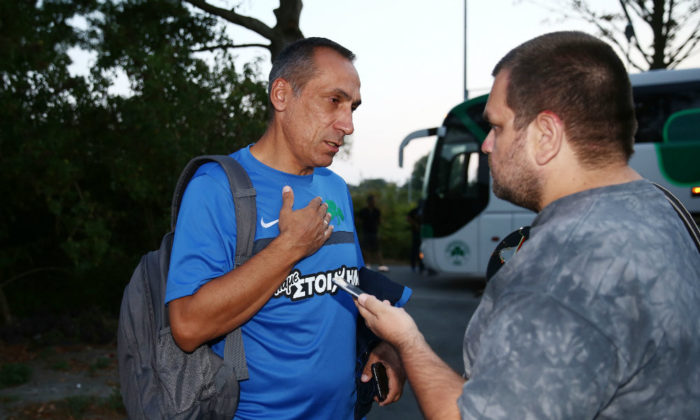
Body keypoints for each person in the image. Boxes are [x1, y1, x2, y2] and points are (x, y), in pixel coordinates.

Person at [356, 31, 700, 419]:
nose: (486, 145)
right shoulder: (660, 204)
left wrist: (408, 341)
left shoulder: (566, 268)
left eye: (497, 127)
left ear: (546, 136)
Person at [165, 37, 405, 419]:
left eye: (353, 108)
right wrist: (290, 247)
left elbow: (349, 286)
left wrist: (384, 345)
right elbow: (188, 326)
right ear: (281, 95)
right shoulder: (215, 187)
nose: (348, 125)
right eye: (334, 100)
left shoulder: (335, 188)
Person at [357, 194, 389, 271]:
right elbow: (358, 220)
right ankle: (367, 263)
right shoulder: (363, 211)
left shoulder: (377, 211)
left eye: (374, 201)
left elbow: (379, 221)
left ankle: (381, 265)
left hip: (374, 232)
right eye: (372, 201)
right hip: (365, 231)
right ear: (368, 201)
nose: (374, 202)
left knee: (377, 248)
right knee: (365, 248)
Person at [406, 205, 424, 274]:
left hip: (423, 234)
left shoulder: (425, 210)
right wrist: (415, 224)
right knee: (415, 250)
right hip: (416, 234)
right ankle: (414, 265)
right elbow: (408, 218)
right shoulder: (414, 211)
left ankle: (422, 266)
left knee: (422, 251)